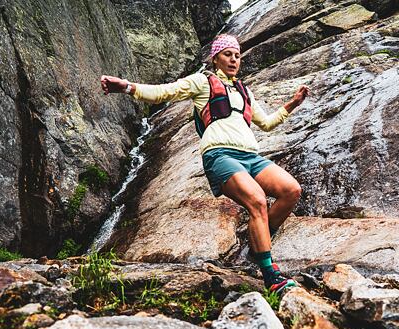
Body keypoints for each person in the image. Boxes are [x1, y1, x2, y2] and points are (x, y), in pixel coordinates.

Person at [101, 34, 309, 294]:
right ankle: (270, 275)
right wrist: (127, 87)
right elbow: (165, 92)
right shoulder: (202, 82)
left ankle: (257, 245)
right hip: (220, 155)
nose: (234, 59)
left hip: (251, 157)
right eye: (227, 55)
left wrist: (292, 104)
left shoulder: (245, 90)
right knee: (257, 200)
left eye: (237, 55)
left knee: (291, 190)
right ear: (215, 59)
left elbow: (265, 123)